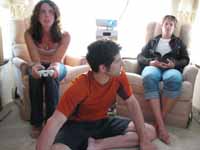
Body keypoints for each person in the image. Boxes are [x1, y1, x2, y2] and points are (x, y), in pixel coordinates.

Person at [36, 40, 157, 150]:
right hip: (77, 126)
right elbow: (55, 121)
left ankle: (98, 144)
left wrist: (144, 141)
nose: (122, 63)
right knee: (58, 148)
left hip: (102, 122)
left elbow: (132, 103)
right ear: (103, 68)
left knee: (149, 132)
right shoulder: (80, 86)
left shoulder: (119, 76)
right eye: (117, 61)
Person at [24, 0, 89, 138]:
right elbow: (35, 60)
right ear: (37, 15)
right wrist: (36, 68)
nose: (47, 15)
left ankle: (51, 123)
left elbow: (57, 60)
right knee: (34, 77)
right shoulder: (29, 34)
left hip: (57, 65)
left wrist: (54, 69)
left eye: (50, 12)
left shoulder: (65, 35)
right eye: (43, 11)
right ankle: (36, 123)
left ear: (55, 15)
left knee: (51, 77)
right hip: (38, 63)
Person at [137, 15, 190, 144]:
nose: (168, 26)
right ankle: (161, 126)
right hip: (154, 67)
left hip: (171, 69)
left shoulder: (178, 42)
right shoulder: (153, 41)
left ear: (174, 28)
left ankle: (158, 123)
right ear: (162, 25)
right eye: (166, 23)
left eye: (171, 24)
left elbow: (186, 59)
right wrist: (151, 62)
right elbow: (140, 56)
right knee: (149, 76)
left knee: (174, 78)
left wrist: (175, 64)